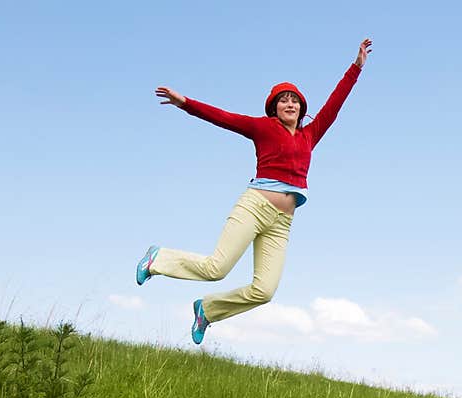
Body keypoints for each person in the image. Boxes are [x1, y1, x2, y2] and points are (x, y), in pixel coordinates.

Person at [137, 38, 373, 344]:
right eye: (283, 100)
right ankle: (158, 259)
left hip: (282, 222)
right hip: (255, 206)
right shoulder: (263, 128)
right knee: (215, 268)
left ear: (301, 108)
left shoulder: (310, 135)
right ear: (274, 108)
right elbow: (223, 118)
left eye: (295, 100)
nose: (290, 104)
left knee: (264, 290)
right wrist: (186, 103)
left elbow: (335, 104)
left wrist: (356, 67)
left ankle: (207, 311)